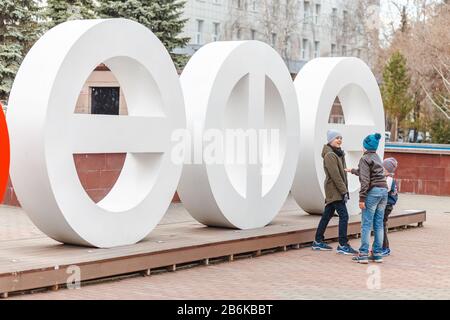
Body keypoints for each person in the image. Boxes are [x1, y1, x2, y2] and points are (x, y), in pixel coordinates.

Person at [312, 129, 358, 255]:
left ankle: (318, 241)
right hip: (335, 190)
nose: (339, 140)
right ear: (330, 140)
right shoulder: (330, 155)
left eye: (341, 138)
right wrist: (344, 191)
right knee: (344, 216)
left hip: (336, 190)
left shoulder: (337, 154)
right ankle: (343, 244)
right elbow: (336, 176)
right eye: (337, 138)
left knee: (327, 215)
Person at [346, 133, 388, 264]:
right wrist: (352, 170)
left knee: (366, 224)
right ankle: (377, 254)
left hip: (373, 192)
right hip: (383, 191)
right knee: (379, 224)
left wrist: (362, 199)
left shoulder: (364, 158)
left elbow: (365, 180)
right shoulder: (377, 157)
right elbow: (366, 172)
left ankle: (363, 254)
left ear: (365, 146)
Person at [381, 157, 399, 256]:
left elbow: (385, 190)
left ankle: (385, 247)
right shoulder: (390, 179)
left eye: (383, 168)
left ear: (387, 169)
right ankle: (384, 246)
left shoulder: (389, 179)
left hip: (386, 205)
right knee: (382, 225)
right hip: (388, 205)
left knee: (382, 226)